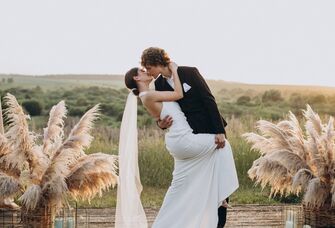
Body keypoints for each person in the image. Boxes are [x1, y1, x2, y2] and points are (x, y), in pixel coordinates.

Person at [124, 60, 238, 228]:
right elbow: (178, 94)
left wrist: (160, 123)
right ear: (136, 78)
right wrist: (175, 70)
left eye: (148, 68)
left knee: (178, 187)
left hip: (180, 140)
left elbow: (163, 116)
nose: (147, 72)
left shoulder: (160, 88)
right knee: (223, 145)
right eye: (143, 70)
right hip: (184, 140)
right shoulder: (150, 93)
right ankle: (220, 197)